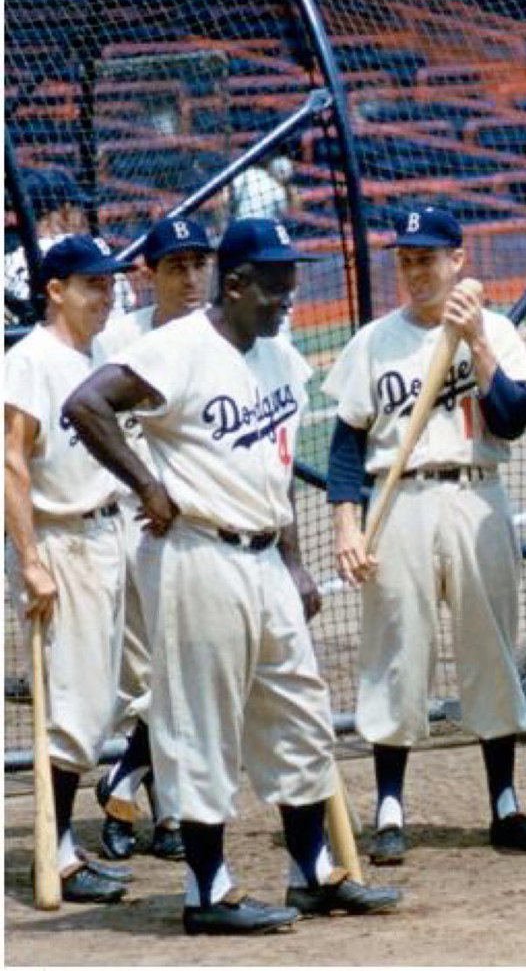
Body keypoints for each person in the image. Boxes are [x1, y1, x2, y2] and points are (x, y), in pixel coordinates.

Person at [63, 218, 401, 935]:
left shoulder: (280, 358)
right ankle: (206, 890)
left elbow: (272, 470)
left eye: (290, 280)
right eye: (275, 283)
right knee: (202, 724)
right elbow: (86, 404)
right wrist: (147, 488)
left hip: (264, 559)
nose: (288, 295)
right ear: (237, 283)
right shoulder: (177, 347)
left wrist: (295, 560)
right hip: (197, 555)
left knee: (302, 716)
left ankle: (312, 872)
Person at [323, 206, 526, 865]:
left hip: (477, 494)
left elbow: (514, 420)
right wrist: (347, 527)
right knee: (397, 649)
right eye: (407, 260)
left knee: (489, 644)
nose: (417, 271)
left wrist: (476, 342)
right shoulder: (373, 341)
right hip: (401, 498)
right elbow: (344, 445)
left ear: (457, 260)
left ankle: (503, 800)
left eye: (428, 258)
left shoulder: (496, 330)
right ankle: (390, 805)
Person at [5, 235, 136, 904]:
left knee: (107, 700)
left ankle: (68, 842)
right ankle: (56, 855)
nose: (106, 295)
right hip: (59, 540)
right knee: (75, 709)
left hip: (109, 533)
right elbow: (11, 463)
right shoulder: (30, 360)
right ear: (55, 290)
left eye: (109, 284)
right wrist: (29, 561)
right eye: (93, 284)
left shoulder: (106, 354)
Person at [91, 216, 214, 863]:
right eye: (177, 266)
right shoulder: (120, 338)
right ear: (151, 273)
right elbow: (80, 418)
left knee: (186, 672)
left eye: (200, 263)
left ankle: (127, 782)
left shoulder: (223, 334)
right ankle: (165, 808)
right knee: (147, 679)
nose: (192, 277)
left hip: (201, 534)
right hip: (125, 526)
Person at [6, 170, 136, 320]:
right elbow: (128, 305)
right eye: (78, 207)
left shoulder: (10, 260)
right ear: (66, 211)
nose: (83, 215)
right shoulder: (98, 251)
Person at [229, 156, 300, 222]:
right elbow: (287, 214)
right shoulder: (279, 191)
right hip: (263, 229)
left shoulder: (251, 172)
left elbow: (229, 193)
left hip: (239, 223)